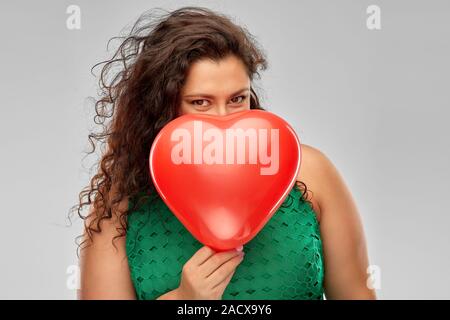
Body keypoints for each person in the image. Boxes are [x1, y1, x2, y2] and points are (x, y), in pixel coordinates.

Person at [73, 6, 376, 300]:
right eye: (200, 102)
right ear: (161, 106)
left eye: (236, 99)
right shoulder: (119, 204)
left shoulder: (310, 173)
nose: (223, 119)